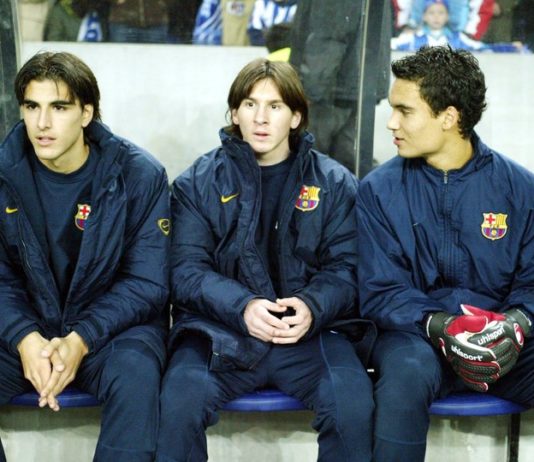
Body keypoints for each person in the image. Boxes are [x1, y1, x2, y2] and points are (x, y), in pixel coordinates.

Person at [156, 58, 374, 462]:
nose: (261, 117)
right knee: (179, 403)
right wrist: (242, 307)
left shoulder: (334, 183)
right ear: (234, 113)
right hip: (218, 333)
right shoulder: (196, 183)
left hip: (310, 335)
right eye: (250, 104)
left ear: (296, 117)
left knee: (352, 406)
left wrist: (312, 306)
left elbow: (347, 268)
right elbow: (185, 271)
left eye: (275, 106)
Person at [356, 45, 534, 462]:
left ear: (449, 117)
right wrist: (442, 325)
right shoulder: (378, 191)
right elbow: (380, 290)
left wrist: (516, 324)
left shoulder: (520, 189)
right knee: (405, 377)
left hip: (501, 342)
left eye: (404, 111)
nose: (391, 122)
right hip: (416, 339)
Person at [0, 51, 170, 461]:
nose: (42, 123)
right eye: (32, 107)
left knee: (137, 376)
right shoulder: (4, 172)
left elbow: (147, 282)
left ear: (86, 113)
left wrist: (81, 339)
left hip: (109, 332)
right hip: (27, 329)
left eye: (59, 108)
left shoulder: (139, 175)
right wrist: (23, 337)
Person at [290, 0, 390, 173]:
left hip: (330, 90)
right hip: (355, 83)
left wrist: (307, 91)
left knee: (310, 164)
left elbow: (329, 37)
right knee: (347, 165)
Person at [391, 0, 489, 51]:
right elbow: (391, 45)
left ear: (448, 16)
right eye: (431, 13)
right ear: (424, 16)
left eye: (441, 13)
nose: (436, 17)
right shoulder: (413, 37)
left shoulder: (457, 38)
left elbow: (479, 47)